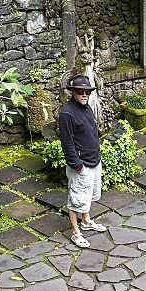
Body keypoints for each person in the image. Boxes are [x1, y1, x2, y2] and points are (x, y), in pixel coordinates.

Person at [58, 73, 107, 250]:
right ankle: (76, 232)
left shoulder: (87, 108)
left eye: (87, 91)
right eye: (80, 92)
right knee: (76, 199)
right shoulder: (66, 114)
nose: (84, 94)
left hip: (94, 161)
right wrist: (77, 165)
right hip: (81, 165)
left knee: (88, 196)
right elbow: (67, 143)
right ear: (73, 92)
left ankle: (86, 221)